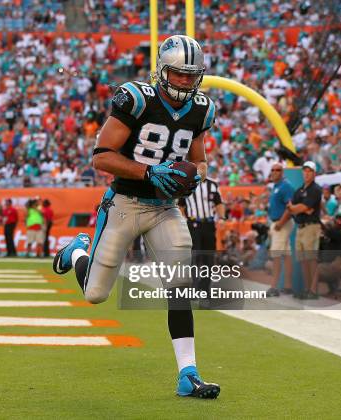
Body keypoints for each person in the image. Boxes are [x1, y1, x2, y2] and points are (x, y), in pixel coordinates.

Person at [52, 35, 219, 398]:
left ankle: (188, 374)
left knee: (179, 286)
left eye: (192, 76)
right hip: (125, 203)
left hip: (165, 209)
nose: (186, 83)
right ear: (162, 71)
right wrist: (148, 172)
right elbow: (101, 157)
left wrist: (193, 176)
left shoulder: (201, 109)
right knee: (95, 294)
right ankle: (77, 251)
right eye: (179, 75)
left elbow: (201, 160)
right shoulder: (137, 99)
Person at [178, 177, 225, 296]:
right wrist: (183, 219)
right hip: (193, 224)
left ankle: (205, 288)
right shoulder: (187, 183)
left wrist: (222, 218)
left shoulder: (213, 184)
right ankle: (193, 287)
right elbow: (181, 205)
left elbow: (219, 203)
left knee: (208, 257)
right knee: (195, 256)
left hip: (209, 224)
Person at [285, 161, 322, 299]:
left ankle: (313, 290)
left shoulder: (316, 189)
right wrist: (299, 208)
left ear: (314, 173)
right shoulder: (299, 190)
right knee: (303, 260)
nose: (306, 173)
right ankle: (308, 289)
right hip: (300, 226)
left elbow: (301, 208)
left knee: (311, 259)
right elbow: (292, 208)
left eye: (309, 171)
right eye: (305, 170)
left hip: (311, 226)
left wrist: (298, 208)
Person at [265, 162, 295, 297]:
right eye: (272, 170)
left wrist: (280, 223)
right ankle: (288, 286)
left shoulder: (285, 186)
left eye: (278, 170)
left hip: (282, 223)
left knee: (276, 255)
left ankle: (274, 287)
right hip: (278, 222)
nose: (274, 172)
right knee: (286, 254)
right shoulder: (276, 186)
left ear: (282, 172)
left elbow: (291, 206)